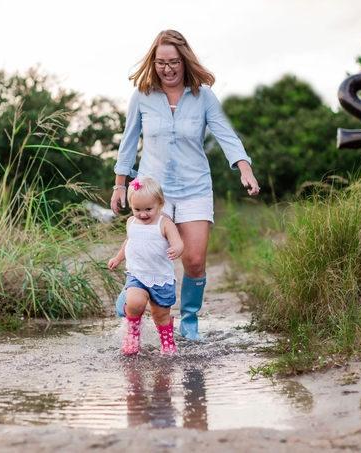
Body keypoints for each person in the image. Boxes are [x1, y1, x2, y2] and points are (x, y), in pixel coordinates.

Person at [110, 29, 261, 341]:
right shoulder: (142, 96)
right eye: (161, 62)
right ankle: (134, 300)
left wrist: (244, 168)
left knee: (193, 261)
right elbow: (128, 142)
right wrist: (120, 185)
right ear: (153, 62)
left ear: (185, 60)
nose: (167, 69)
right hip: (151, 190)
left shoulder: (202, 96)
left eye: (174, 62)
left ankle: (189, 322)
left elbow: (226, 134)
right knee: (144, 252)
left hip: (194, 188)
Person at [108, 176, 184, 356]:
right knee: (134, 302)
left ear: (160, 204)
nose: (142, 214)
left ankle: (166, 342)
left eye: (148, 209)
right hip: (137, 275)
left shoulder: (164, 224)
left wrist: (176, 250)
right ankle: (132, 336)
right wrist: (118, 258)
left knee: (160, 315)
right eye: (137, 209)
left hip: (160, 278)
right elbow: (129, 242)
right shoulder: (131, 223)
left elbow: (179, 243)